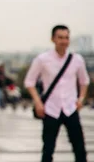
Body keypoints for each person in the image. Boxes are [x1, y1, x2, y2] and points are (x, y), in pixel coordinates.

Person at [24, 24, 89, 162]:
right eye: (60, 37)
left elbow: (84, 81)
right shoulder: (42, 59)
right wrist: (38, 102)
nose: (64, 41)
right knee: (48, 149)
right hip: (50, 108)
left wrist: (81, 99)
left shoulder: (77, 60)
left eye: (66, 37)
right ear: (53, 39)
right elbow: (29, 82)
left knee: (79, 148)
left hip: (71, 107)